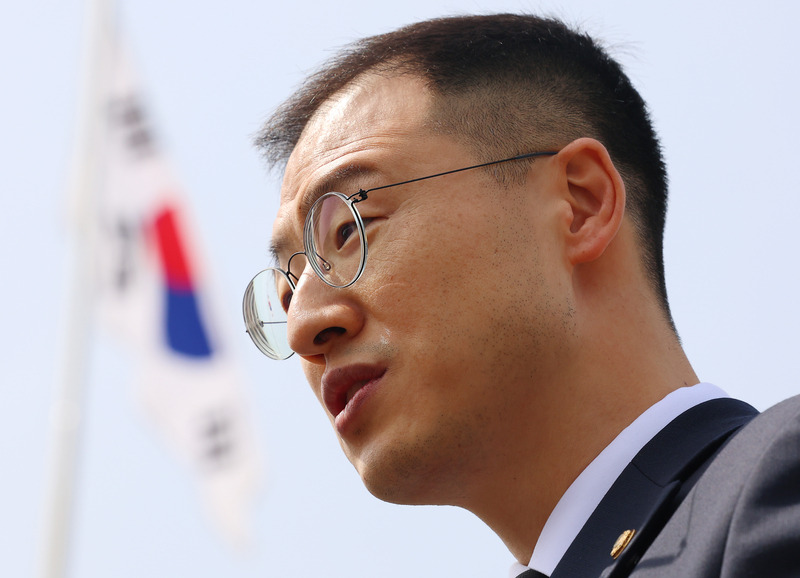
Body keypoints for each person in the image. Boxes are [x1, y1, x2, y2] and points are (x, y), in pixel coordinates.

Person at [242, 13, 800, 577]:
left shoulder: (775, 489)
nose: (304, 327)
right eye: (287, 289)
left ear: (579, 204)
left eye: (348, 230)